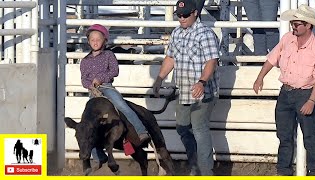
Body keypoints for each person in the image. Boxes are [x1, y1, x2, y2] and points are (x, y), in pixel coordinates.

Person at [153, 0, 219, 175]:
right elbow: (171, 58)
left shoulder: (205, 34)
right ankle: (195, 165)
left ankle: (205, 172)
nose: (181, 18)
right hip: (183, 90)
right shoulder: (176, 33)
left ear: (195, 13)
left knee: (199, 129)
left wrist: (202, 82)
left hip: (202, 92)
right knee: (183, 128)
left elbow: (211, 61)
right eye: (179, 15)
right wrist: (160, 78)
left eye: (185, 15)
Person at [253, 4, 315, 176]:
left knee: (311, 138)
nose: (293, 26)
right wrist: (260, 77)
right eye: (293, 23)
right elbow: (272, 58)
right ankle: (283, 172)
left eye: (297, 24)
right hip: (286, 92)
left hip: (305, 93)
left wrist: (312, 100)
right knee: (284, 136)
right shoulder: (287, 39)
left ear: (308, 25)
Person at [80, 24, 150, 165]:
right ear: (88, 41)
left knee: (121, 105)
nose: (95, 42)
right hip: (93, 93)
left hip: (107, 87)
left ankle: (141, 130)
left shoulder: (109, 55)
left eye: (98, 39)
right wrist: (90, 86)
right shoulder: (85, 61)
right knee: (88, 124)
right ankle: (97, 154)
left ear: (104, 40)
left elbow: (114, 71)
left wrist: (100, 79)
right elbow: (84, 79)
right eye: (92, 39)